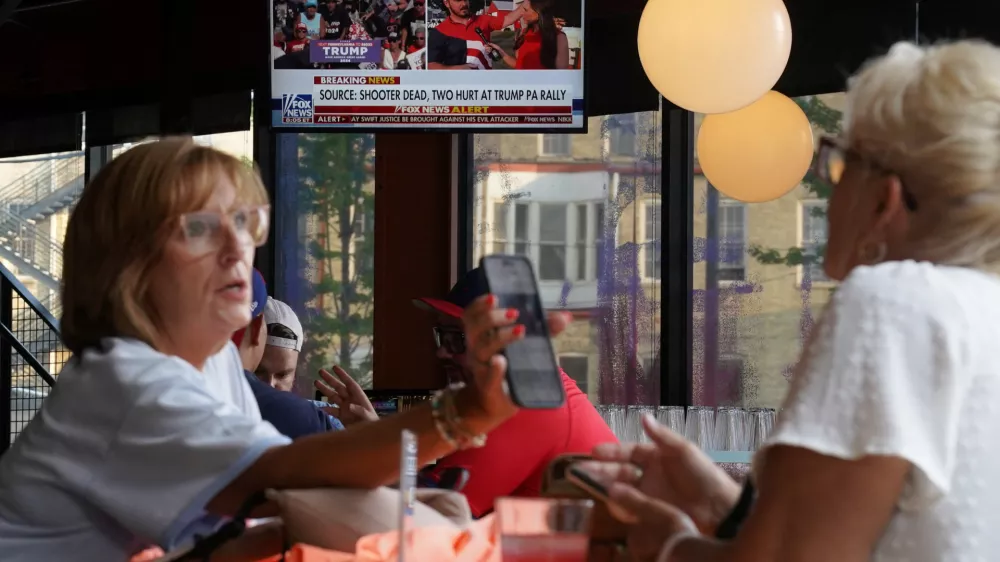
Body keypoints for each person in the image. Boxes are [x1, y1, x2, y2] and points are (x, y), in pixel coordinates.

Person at [0, 138, 570, 561]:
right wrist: (466, 412)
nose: (236, 248)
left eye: (246, 222)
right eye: (200, 229)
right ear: (126, 263)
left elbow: (245, 522)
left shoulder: (214, 362)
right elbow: (287, 479)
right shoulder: (123, 381)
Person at [587, 39, 1000, 562]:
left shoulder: (896, 303)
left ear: (884, 200)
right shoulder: (982, 310)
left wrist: (668, 547)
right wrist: (728, 509)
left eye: (840, 163)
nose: (829, 188)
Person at [414, 267, 617, 517]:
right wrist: (377, 434)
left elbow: (423, 515)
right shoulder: (531, 390)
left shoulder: (529, 401)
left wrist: (374, 448)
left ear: (509, 341)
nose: (442, 352)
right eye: (441, 337)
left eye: (455, 338)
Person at [233, 271, 345, 438]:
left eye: (282, 375)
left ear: (295, 372)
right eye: (258, 373)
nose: (270, 385)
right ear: (256, 335)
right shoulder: (312, 422)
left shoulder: (329, 417)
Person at [427, 0, 526, 70]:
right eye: (458, 0)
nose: (464, 3)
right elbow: (431, 65)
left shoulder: (483, 20)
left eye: (466, 0)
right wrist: (458, 69)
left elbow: (507, 19)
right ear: (446, 3)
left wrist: (526, 5)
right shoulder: (439, 31)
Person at [486, 0, 569, 69]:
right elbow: (519, 66)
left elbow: (561, 76)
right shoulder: (523, 34)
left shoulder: (559, 37)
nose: (522, 13)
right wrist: (501, 53)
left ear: (539, 12)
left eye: (526, 10)